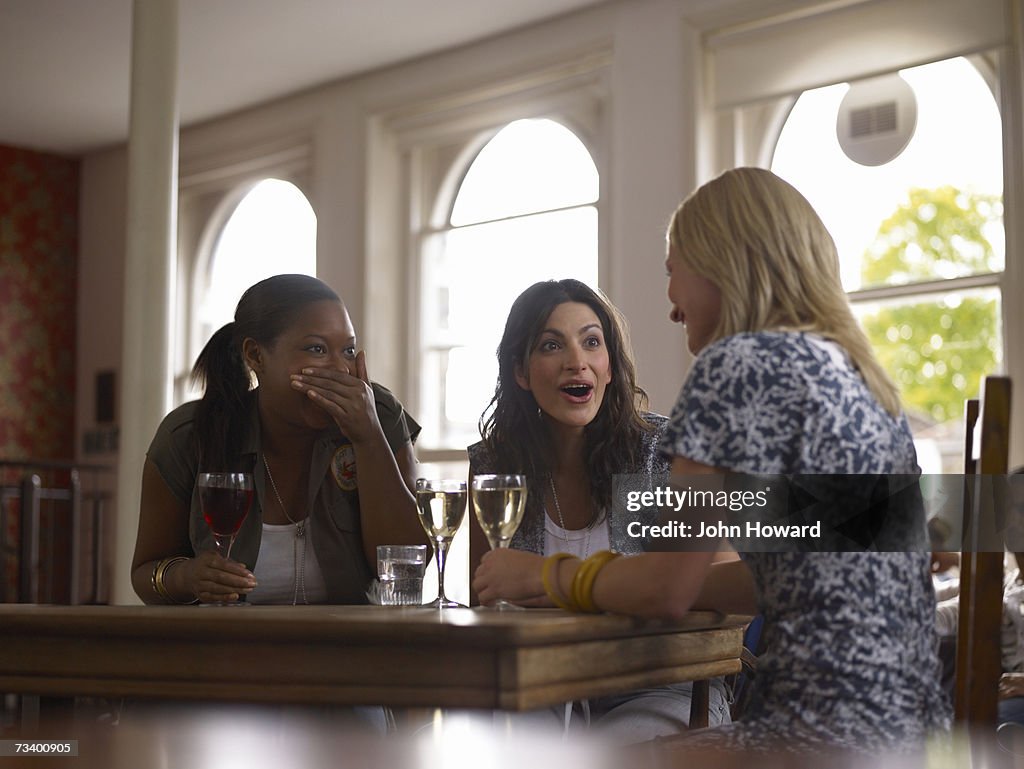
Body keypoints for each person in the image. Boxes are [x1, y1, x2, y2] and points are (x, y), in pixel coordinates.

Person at [473, 168, 950, 754]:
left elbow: (667, 590)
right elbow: (771, 579)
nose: (672, 306)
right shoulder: (867, 382)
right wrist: (640, 581)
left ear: (721, 264)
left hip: (813, 737)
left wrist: (546, 575)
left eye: (672, 271)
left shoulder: (735, 366)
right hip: (912, 735)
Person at [467, 278, 731, 742]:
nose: (577, 361)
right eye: (551, 345)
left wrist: (555, 583)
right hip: (538, 684)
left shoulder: (662, 452)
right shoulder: (495, 466)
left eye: (592, 342)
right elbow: (487, 598)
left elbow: (722, 589)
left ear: (609, 367)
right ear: (521, 373)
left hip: (657, 684)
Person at [131, 274, 426, 606]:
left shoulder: (379, 415)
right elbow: (145, 572)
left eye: (348, 350)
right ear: (256, 356)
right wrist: (187, 577)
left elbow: (408, 568)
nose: (342, 370)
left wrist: (368, 437)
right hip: (228, 650)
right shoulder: (189, 436)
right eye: (316, 349)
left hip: (350, 648)